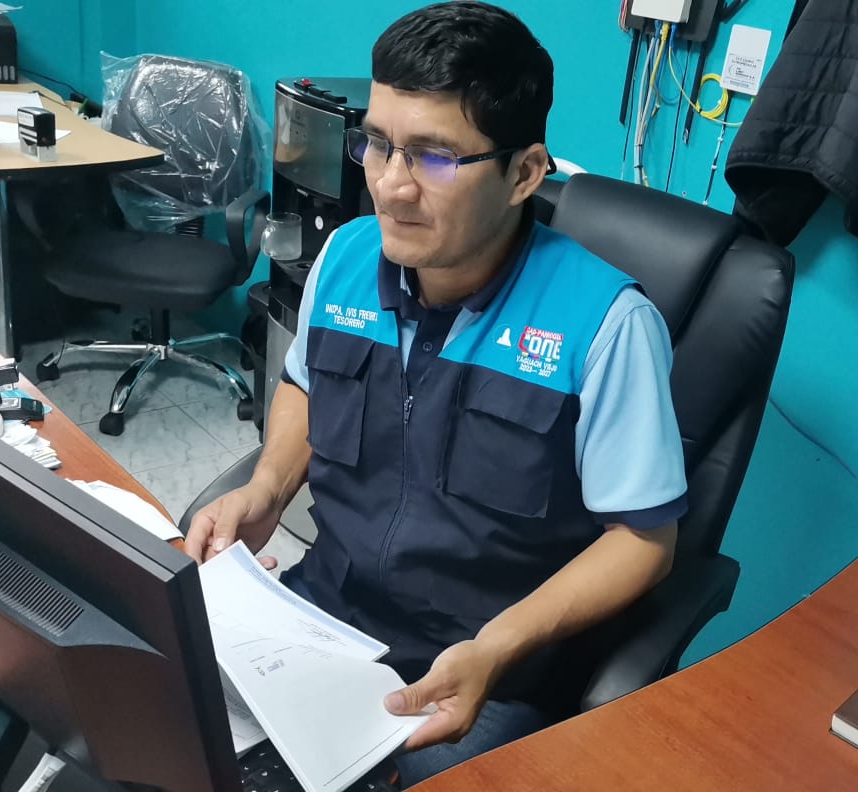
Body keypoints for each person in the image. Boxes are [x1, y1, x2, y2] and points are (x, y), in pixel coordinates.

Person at [186, 1, 687, 784]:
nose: (390, 186)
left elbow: (645, 540)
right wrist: (269, 488)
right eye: (378, 144)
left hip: (485, 667)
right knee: (165, 721)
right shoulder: (346, 258)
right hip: (328, 619)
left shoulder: (606, 326)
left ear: (524, 173)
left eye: (435, 157)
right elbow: (304, 386)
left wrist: (497, 647)